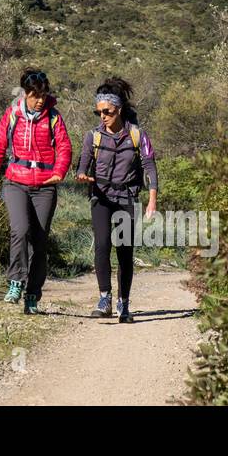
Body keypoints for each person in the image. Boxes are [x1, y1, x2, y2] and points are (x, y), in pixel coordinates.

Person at [0, 68, 72, 314]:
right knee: (19, 230)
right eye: (34, 95)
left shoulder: (53, 117)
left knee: (39, 242)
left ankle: (33, 293)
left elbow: (64, 147)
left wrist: (59, 172)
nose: (39, 100)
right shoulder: (13, 115)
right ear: (25, 94)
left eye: (43, 95)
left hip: (44, 186)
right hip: (15, 182)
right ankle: (15, 282)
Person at [76, 76, 158, 324]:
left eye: (107, 111)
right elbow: (82, 165)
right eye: (99, 112)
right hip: (100, 197)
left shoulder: (137, 135)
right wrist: (81, 175)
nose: (102, 116)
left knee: (124, 251)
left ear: (119, 110)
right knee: (102, 246)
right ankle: (104, 299)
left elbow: (150, 167)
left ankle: (124, 304)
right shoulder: (93, 136)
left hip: (126, 198)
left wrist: (152, 200)